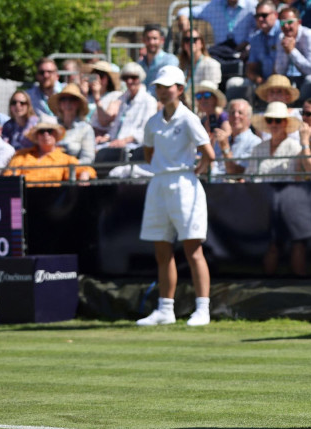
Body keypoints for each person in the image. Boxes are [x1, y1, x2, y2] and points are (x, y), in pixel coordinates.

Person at [135, 66, 216, 327]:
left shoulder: (189, 119)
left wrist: (195, 172)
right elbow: (149, 153)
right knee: (162, 249)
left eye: (167, 86)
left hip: (185, 185)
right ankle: (165, 310)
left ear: (179, 89)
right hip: (159, 183)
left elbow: (209, 154)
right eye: (158, 86)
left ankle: (202, 309)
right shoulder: (153, 122)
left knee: (193, 250)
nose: (162, 90)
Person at [248, 102, 308, 275]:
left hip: (290, 200)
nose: (274, 125)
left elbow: (300, 176)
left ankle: (300, 287)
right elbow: (250, 176)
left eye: (278, 121)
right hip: (264, 203)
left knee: (297, 242)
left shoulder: (295, 147)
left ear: (285, 124)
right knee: (272, 245)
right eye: (270, 120)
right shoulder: (258, 149)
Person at [178, 0, 259, 51]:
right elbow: (186, 11)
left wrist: (246, 43)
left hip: (245, 52)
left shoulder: (252, 5)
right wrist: (183, 17)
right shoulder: (215, 5)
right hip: (221, 52)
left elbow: (259, 30)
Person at [3, 120, 96, 185]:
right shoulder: (21, 155)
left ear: (56, 135)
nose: (46, 134)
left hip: (53, 206)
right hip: (23, 203)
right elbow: (8, 180)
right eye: (42, 131)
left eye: (50, 131)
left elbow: (88, 170)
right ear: (36, 136)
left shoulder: (64, 159)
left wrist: (85, 174)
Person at [95, 62, 157, 158]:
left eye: (133, 77)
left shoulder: (149, 101)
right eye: (126, 78)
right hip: (115, 144)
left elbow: (146, 130)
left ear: (140, 78)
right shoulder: (122, 99)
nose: (129, 81)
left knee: (100, 156)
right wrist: (106, 137)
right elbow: (116, 126)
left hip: (132, 148)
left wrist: (124, 141)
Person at [210, 99, 262, 180]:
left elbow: (235, 173)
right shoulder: (220, 140)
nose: (236, 115)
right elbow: (209, 169)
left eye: (240, 113)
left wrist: (225, 147)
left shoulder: (255, 143)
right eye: (232, 112)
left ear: (249, 119)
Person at [49, 83, 96, 164]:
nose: (67, 103)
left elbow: (88, 158)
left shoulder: (85, 128)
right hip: (50, 168)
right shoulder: (51, 125)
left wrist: (69, 166)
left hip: (73, 172)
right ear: (59, 104)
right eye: (64, 99)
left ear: (78, 104)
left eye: (72, 99)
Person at [246, 0, 283, 88]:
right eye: (257, 16)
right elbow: (251, 67)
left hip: (284, 80)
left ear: (275, 15)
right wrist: (257, 78)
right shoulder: (255, 38)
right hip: (264, 83)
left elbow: (281, 66)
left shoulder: (283, 33)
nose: (260, 19)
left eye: (264, 15)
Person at [136, 24, 182, 91]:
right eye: (148, 39)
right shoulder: (139, 64)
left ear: (162, 40)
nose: (151, 42)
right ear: (143, 40)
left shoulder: (170, 61)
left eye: (155, 38)